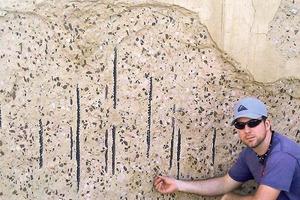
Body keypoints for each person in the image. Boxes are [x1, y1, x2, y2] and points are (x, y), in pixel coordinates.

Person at [154, 97, 300, 199]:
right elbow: (225, 183)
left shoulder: (282, 155)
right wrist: (179, 185)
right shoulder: (250, 153)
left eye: (253, 123)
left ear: (267, 124)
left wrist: (232, 198)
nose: (247, 130)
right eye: (240, 125)